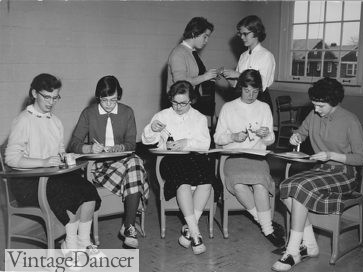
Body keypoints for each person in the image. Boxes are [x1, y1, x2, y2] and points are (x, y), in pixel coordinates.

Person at [272, 78, 363, 272]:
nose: (316, 109)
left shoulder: (350, 120)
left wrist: (332, 155)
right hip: (322, 171)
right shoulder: (314, 115)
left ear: (334, 102)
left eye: (320, 106)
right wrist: (296, 137)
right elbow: (301, 132)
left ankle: (292, 251)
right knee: (285, 185)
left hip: (345, 173)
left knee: (299, 188)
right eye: (314, 104)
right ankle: (310, 244)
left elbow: (362, 158)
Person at [5, 73, 102, 255]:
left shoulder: (55, 122)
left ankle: (83, 242)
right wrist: (43, 162)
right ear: (34, 93)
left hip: (52, 177)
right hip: (29, 182)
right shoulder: (23, 120)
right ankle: (70, 246)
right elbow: (11, 158)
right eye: (46, 97)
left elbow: (58, 153)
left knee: (88, 190)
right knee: (69, 193)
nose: (51, 102)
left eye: (55, 97)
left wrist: (67, 157)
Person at [69, 75, 149, 249]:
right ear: (98, 97)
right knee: (136, 167)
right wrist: (89, 149)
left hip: (124, 162)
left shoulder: (127, 112)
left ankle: (128, 226)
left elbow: (131, 144)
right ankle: (129, 226)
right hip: (99, 167)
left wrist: (118, 148)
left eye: (113, 100)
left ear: (119, 96)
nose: (109, 104)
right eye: (104, 100)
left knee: (135, 163)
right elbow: (74, 143)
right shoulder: (88, 113)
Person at [142, 80, 216, 255]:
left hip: (194, 158)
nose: (178, 107)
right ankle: (196, 235)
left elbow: (205, 144)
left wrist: (186, 142)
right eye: (175, 102)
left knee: (207, 181)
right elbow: (147, 141)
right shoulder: (162, 115)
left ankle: (189, 230)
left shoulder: (199, 117)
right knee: (182, 183)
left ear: (192, 100)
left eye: (183, 103)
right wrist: (152, 129)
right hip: (170, 160)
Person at [214, 69, 284, 248]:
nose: (251, 95)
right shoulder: (228, 107)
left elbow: (270, 141)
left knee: (260, 184)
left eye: (255, 91)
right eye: (247, 91)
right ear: (240, 88)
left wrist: (267, 134)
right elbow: (217, 138)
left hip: (257, 158)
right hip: (234, 157)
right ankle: (266, 225)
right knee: (238, 185)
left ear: (260, 90)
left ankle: (266, 227)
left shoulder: (264, 108)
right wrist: (232, 137)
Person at [222, 15, 275, 113]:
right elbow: (237, 84)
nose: (242, 37)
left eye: (245, 34)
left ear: (256, 32)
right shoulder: (243, 55)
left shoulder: (266, 55)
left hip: (259, 101)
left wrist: (238, 74)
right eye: (240, 34)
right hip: (242, 100)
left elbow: (261, 85)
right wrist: (228, 76)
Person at [167, 17, 218, 115]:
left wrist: (209, 76)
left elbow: (195, 76)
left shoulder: (192, 52)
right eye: (205, 36)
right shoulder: (179, 53)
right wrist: (204, 77)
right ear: (194, 34)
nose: (206, 41)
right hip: (180, 106)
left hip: (191, 102)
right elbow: (180, 83)